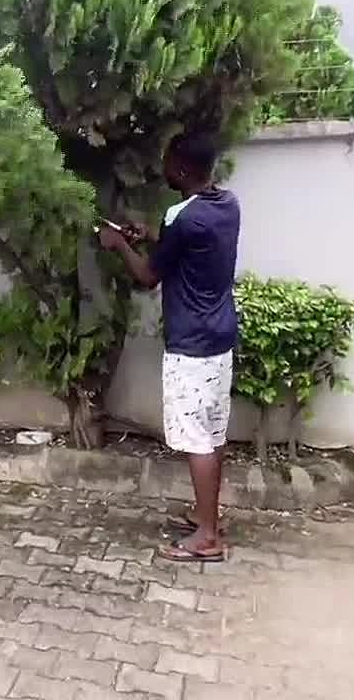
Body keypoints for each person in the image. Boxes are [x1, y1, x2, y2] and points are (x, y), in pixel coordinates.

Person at [97, 132, 240, 563]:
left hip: (191, 343)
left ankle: (208, 538)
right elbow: (187, 244)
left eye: (166, 160)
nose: (162, 166)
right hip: (219, 337)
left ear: (180, 168)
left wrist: (120, 244)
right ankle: (206, 515)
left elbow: (148, 276)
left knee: (196, 439)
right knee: (212, 432)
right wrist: (151, 235)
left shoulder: (182, 217)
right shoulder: (226, 204)